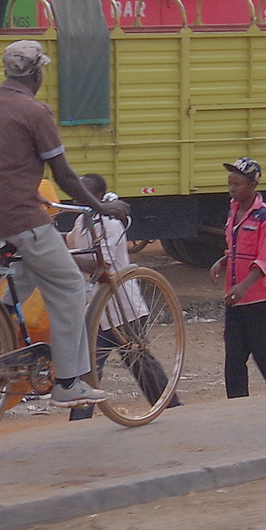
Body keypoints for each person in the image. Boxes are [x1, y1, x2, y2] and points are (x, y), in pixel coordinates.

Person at [0, 38, 127, 408]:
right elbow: (66, 176)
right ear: (37, 73)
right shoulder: (36, 112)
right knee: (68, 284)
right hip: (18, 214)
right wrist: (100, 206)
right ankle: (68, 383)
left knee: (30, 268)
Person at [66, 173, 178, 420]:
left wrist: (64, 254)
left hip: (123, 311)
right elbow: (72, 244)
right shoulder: (81, 223)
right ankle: (79, 424)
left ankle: (171, 409)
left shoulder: (110, 223)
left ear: (97, 196)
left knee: (139, 364)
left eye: (84, 192)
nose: (77, 196)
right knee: (91, 370)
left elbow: (99, 265)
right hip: (98, 311)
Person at [209, 158, 266, 397]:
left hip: (260, 299)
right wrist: (223, 262)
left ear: (253, 185)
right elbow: (235, 249)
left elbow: (265, 260)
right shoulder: (234, 211)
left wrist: (244, 286)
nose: (232, 189)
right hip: (235, 298)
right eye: (230, 184)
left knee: (264, 355)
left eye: (238, 184)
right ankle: (237, 406)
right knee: (233, 359)